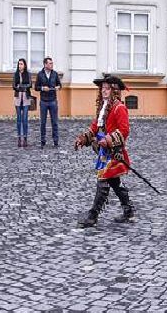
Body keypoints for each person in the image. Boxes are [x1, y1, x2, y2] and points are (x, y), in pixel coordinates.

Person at [73, 75, 134, 228]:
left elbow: (124, 130)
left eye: (107, 88)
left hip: (114, 152)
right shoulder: (104, 107)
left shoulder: (119, 108)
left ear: (114, 91)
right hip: (104, 152)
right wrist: (84, 138)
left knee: (103, 181)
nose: (104, 91)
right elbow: (95, 127)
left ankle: (93, 215)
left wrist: (108, 140)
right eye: (102, 88)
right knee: (114, 182)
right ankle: (128, 210)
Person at [35, 57, 62, 148]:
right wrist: (42, 88)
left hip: (53, 101)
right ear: (45, 64)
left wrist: (58, 87)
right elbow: (36, 87)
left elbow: (59, 85)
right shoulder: (40, 74)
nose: (51, 65)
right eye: (50, 63)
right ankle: (43, 141)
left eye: (52, 63)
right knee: (43, 122)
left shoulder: (55, 74)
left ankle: (55, 141)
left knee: (54, 122)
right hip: (43, 101)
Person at [12, 58, 33, 148]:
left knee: (25, 119)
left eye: (21, 64)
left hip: (26, 97)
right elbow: (13, 86)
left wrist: (20, 86)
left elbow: (30, 85)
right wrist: (21, 87)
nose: (20, 65)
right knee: (18, 119)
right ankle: (19, 138)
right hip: (17, 97)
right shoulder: (16, 74)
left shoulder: (28, 74)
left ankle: (25, 138)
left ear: (24, 65)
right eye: (19, 64)